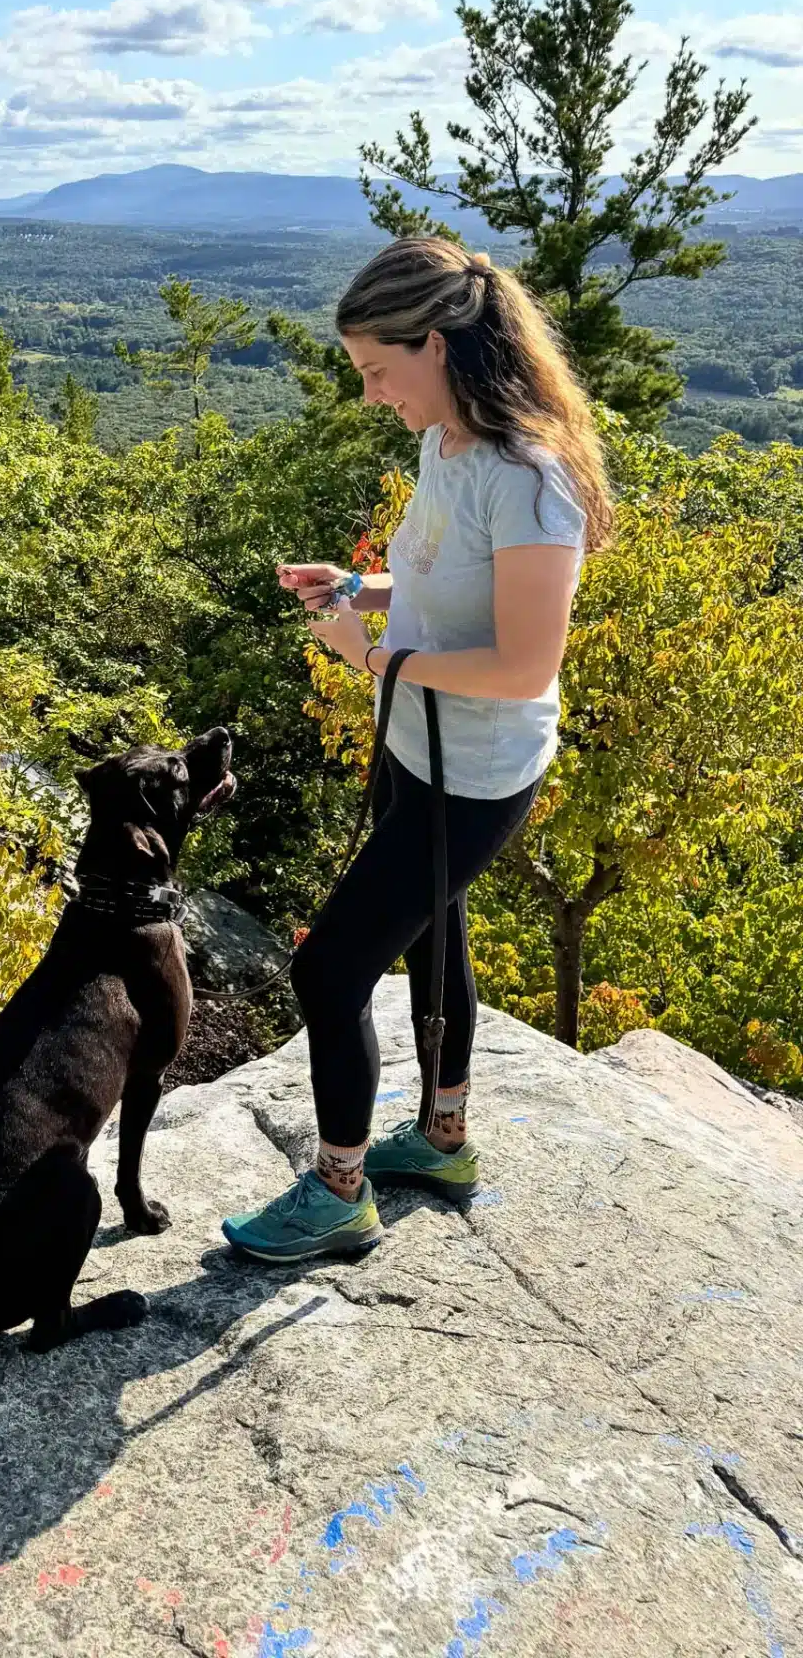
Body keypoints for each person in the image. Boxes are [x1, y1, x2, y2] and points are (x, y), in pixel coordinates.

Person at [222, 236, 613, 1263]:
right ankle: (442, 1143)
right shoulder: (447, 443)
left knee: (330, 972)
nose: (369, 396)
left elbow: (526, 665)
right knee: (439, 937)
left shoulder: (531, 481)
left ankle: (341, 1189)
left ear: (434, 345)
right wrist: (362, 594)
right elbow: (448, 587)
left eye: (377, 371)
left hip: (477, 770)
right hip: (422, 746)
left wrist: (372, 658)